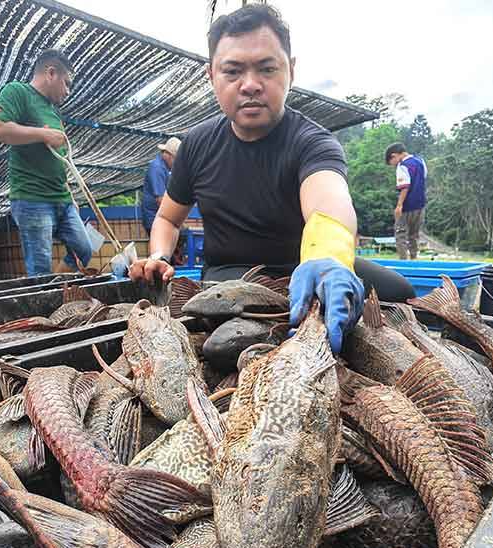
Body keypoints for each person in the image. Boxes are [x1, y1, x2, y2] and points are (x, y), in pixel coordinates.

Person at [128, 4, 413, 353]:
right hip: (230, 275)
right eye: (232, 71)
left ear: (290, 70)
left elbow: (329, 205)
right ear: (211, 75)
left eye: (267, 68)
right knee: (225, 345)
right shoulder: (197, 145)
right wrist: (158, 254)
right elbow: (168, 218)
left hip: (307, 268)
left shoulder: (312, 142)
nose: (250, 85)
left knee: (401, 293)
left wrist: (328, 258)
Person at [0, 49, 93, 276]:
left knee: (84, 249)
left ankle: (56, 286)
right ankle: (47, 299)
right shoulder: (18, 92)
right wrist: (43, 134)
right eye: (66, 83)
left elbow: (60, 161)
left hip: (61, 198)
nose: (67, 91)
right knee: (40, 266)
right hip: (32, 198)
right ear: (51, 73)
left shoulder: (53, 113)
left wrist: (70, 195)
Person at [385, 142, 428, 260]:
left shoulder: (402, 165)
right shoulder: (420, 161)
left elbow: (405, 186)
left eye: (391, 163)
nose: (393, 165)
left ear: (394, 156)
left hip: (407, 206)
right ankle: (414, 259)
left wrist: (399, 206)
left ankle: (403, 261)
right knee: (414, 235)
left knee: (400, 234)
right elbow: (423, 179)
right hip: (420, 205)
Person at [141, 137, 182, 234]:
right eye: (176, 159)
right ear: (168, 155)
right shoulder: (157, 168)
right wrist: (175, 220)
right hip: (154, 219)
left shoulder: (167, 168)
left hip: (161, 218)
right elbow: (160, 199)